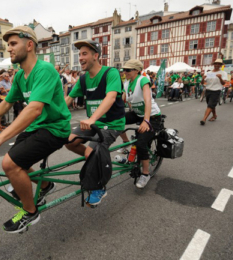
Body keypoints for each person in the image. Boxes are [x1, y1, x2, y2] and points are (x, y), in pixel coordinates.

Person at [0, 26, 71, 233]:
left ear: (29, 45)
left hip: (54, 128)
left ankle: (30, 212)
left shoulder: (44, 70)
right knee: (17, 160)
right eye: (8, 44)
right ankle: (45, 186)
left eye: (13, 44)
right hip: (37, 127)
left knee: (10, 164)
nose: (9, 49)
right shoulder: (19, 76)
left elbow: (35, 109)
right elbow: (7, 103)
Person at [65, 40, 125, 205]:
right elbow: (68, 99)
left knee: (95, 149)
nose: (80, 58)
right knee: (69, 141)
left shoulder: (110, 73)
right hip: (93, 124)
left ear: (96, 56)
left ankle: (99, 186)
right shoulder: (83, 79)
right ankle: (95, 158)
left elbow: (111, 97)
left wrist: (92, 118)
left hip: (111, 124)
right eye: (79, 54)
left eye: (84, 54)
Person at [121, 59, 162, 189]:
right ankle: (125, 144)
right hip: (137, 114)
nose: (124, 72)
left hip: (152, 116)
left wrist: (146, 120)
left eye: (127, 70)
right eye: (124, 69)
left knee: (140, 143)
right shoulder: (126, 83)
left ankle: (145, 174)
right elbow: (122, 100)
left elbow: (147, 100)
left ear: (136, 71)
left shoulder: (143, 80)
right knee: (116, 120)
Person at [200, 59, 227, 125]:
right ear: (214, 64)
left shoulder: (223, 73)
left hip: (216, 91)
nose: (217, 65)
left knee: (210, 105)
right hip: (208, 90)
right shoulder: (209, 73)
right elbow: (202, 82)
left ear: (221, 65)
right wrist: (203, 78)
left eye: (219, 64)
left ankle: (204, 119)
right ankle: (214, 115)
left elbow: (223, 83)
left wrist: (220, 78)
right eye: (216, 64)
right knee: (211, 105)